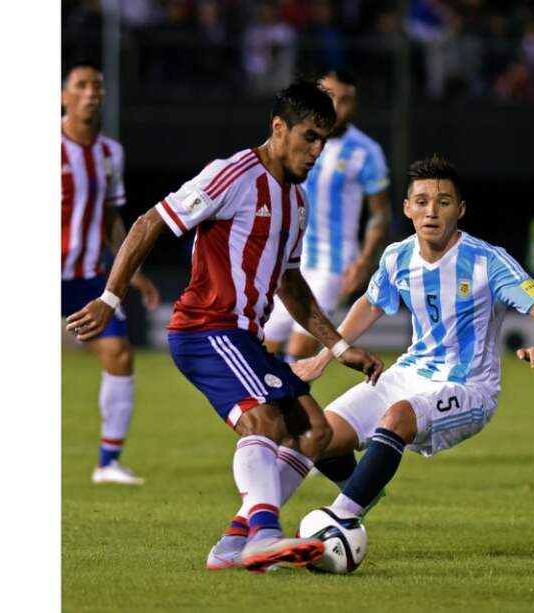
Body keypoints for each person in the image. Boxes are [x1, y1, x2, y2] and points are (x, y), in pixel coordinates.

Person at [65, 79, 384, 572]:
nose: (317, 150)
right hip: (205, 328)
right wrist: (110, 297)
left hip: (243, 338)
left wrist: (340, 348)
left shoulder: (296, 202)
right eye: (309, 137)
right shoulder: (233, 174)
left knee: (314, 431)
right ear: (278, 128)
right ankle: (264, 534)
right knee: (264, 419)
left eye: (324, 139)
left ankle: (235, 542)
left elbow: (291, 286)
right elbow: (150, 222)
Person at [290, 154, 534, 524]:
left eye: (443, 202)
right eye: (422, 202)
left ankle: (341, 519)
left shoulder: (487, 261)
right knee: (317, 435)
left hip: (469, 386)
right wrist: (323, 357)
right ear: (407, 208)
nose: (431, 212)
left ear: (460, 209)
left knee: (398, 417)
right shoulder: (397, 257)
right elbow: (370, 304)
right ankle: (361, 490)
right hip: (409, 373)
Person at [61, 60, 160, 485]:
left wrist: (131, 270)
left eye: (97, 86)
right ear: (63, 96)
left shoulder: (110, 153)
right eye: (82, 85)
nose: (91, 93)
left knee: (119, 354)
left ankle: (108, 463)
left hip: (87, 275)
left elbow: (109, 218)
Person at [264, 69, 391, 362]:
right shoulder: (295, 140)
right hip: (290, 258)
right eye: (331, 97)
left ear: (354, 105)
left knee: (299, 351)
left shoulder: (366, 151)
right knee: (264, 346)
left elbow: (380, 214)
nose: (336, 106)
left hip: (334, 262)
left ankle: (290, 393)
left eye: (345, 100)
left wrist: (364, 260)